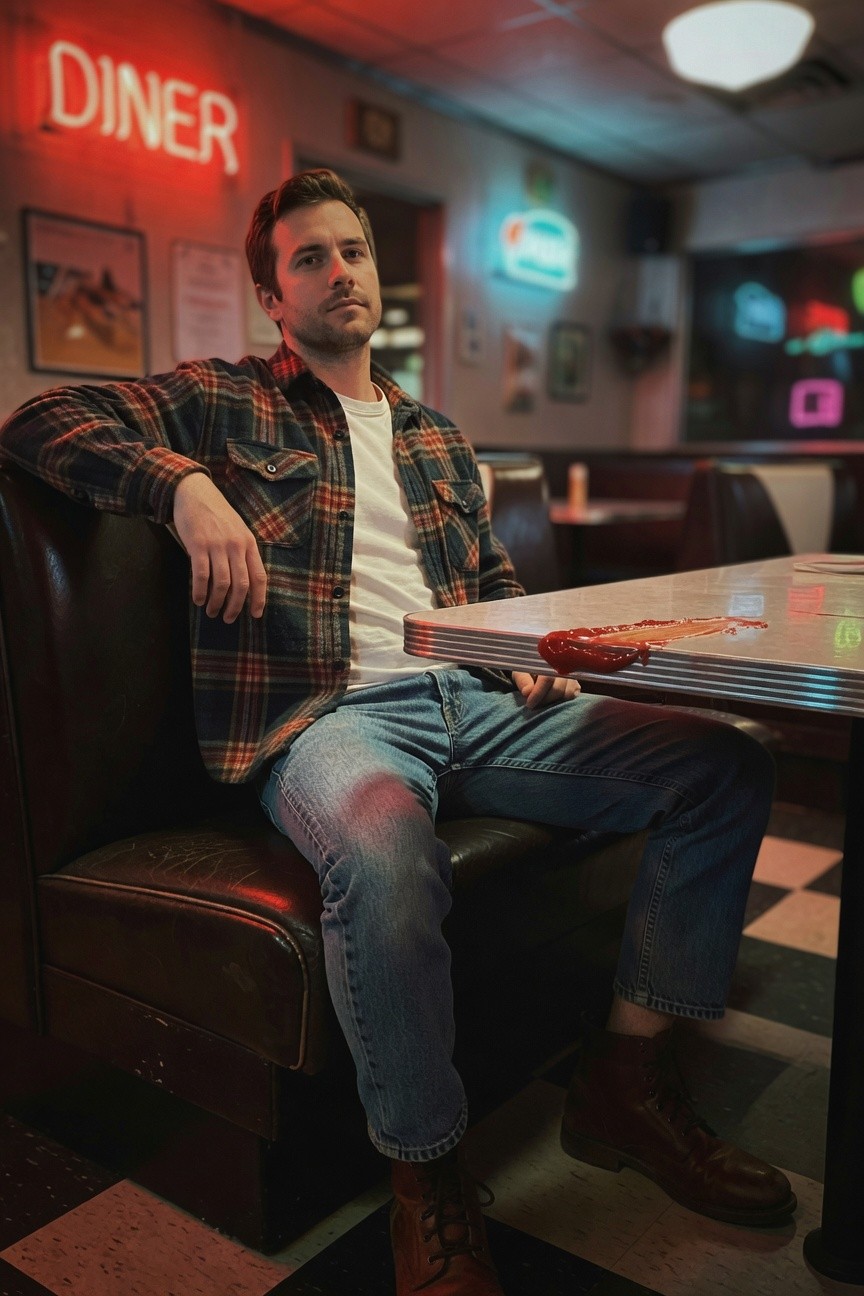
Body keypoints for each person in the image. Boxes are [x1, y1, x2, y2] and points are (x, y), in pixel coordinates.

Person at [0, 169, 795, 1295]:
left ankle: (623, 1080)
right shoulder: (226, 400)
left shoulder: (433, 436)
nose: (340, 272)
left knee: (722, 764)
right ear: (274, 297)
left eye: (354, 251)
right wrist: (180, 485)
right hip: (326, 718)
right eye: (310, 258)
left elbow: (491, 580)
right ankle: (427, 1174)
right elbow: (39, 419)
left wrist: (533, 661)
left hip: (471, 705)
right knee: (381, 853)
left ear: (380, 271)